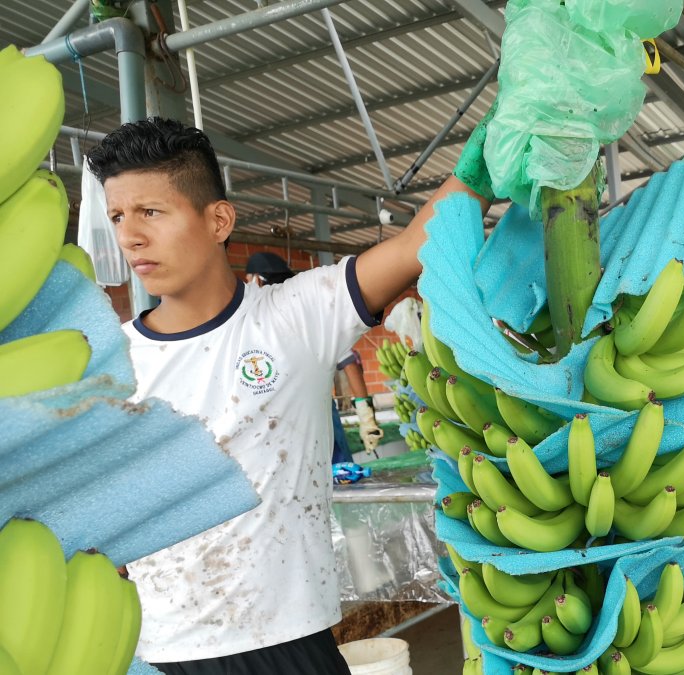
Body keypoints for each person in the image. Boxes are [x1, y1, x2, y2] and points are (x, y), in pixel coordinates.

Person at [89, 114, 492, 674]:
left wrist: (489, 157)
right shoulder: (109, 364)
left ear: (218, 220)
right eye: (117, 216)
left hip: (288, 646)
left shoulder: (295, 316)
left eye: (151, 211)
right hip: (158, 652)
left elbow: (416, 244)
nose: (130, 236)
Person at [243, 251, 384, 463]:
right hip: (296, 416)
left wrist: (366, 417)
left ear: (259, 280)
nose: (248, 285)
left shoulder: (271, 320)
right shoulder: (299, 315)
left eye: (249, 280)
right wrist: (366, 415)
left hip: (306, 414)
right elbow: (349, 363)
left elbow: (348, 362)